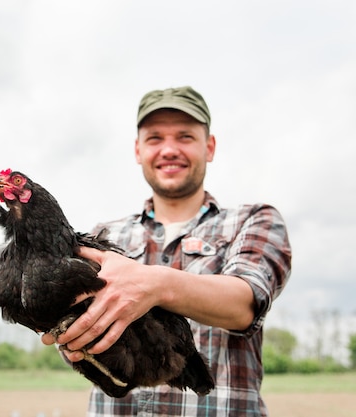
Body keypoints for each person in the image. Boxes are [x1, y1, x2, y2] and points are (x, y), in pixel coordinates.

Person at [41, 86, 292, 417]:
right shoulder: (106, 235)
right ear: (138, 150)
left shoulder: (254, 220)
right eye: (155, 138)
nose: (169, 149)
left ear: (210, 147)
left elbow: (246, 304)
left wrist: (155, 285)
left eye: (185, 136)